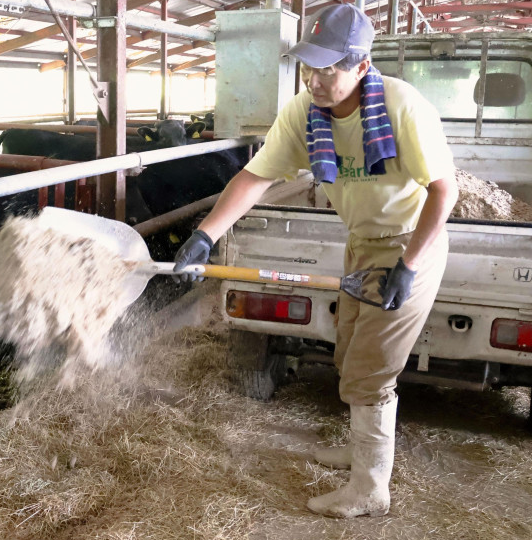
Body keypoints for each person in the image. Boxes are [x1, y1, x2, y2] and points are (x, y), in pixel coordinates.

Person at [173, 4, 458, 519]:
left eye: (330, 68)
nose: (316, 79)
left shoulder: (402, 108)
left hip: (410, 242)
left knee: (372, 369)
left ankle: (371, 488)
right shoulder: (306, 111)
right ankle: (361, 448)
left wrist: (409, 267)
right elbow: (255, 178)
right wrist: (205, 235)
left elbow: (444, 192)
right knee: (349, 352)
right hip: (362, 242)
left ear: (362, 65)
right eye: (310, 66)